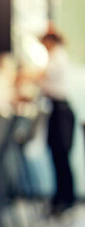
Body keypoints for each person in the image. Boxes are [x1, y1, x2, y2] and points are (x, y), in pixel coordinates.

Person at [39, 30, 76, 215]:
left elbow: (43, 76)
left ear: (50, 41)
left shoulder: (57, 57)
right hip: (56, 110)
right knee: (57, 155)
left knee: (61, 155)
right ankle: (61, 197)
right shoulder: (55, 57)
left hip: (61, 111)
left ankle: (66, 198)